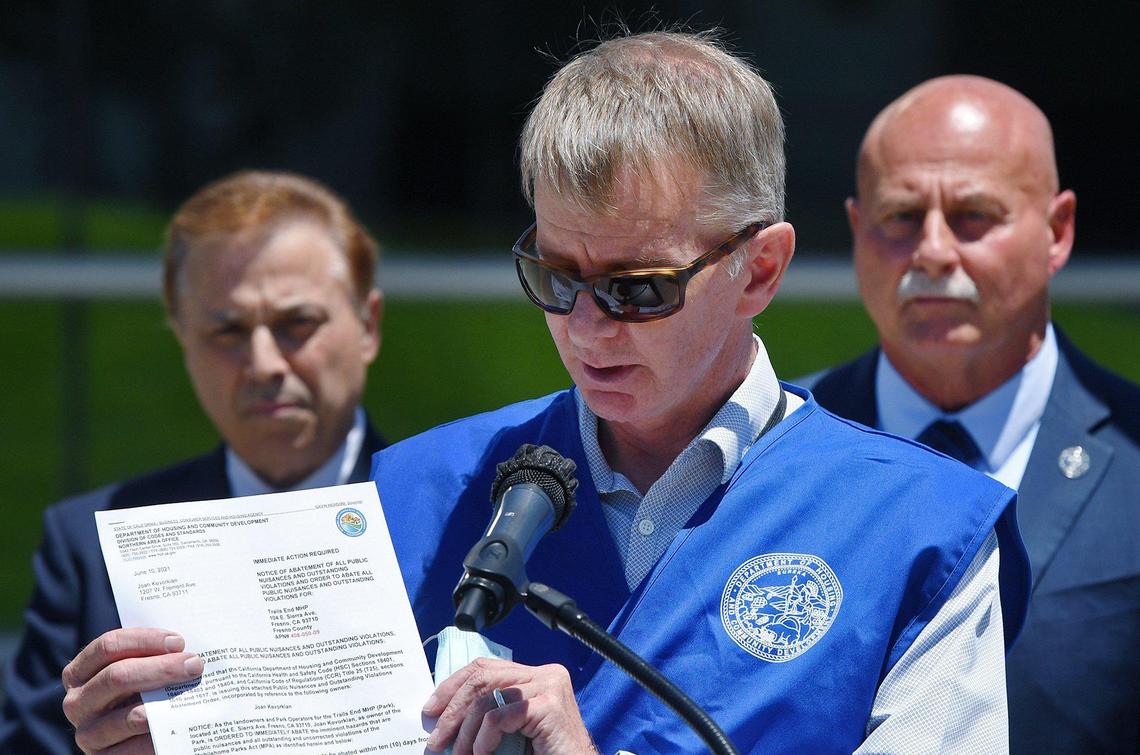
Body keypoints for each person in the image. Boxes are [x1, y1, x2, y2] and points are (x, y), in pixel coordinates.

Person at [53, 33, 1031, 754]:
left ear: (761, 268)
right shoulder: (408, 497)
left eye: (639, 288)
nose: (587, 326)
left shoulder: (918, 530)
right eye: (553, 276)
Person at [801, 75, 1140, 752]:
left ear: (1058, 230)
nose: (931, 251)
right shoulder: (768, 450)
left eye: (972, 216)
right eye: (900, 217)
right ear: (857, 230)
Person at [0, 170, 387, 754]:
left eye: (295, 324)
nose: (263, 364)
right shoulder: (92, 546)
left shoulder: (469, 516)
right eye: (227, 330)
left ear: (367, 326)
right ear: (183, 337)